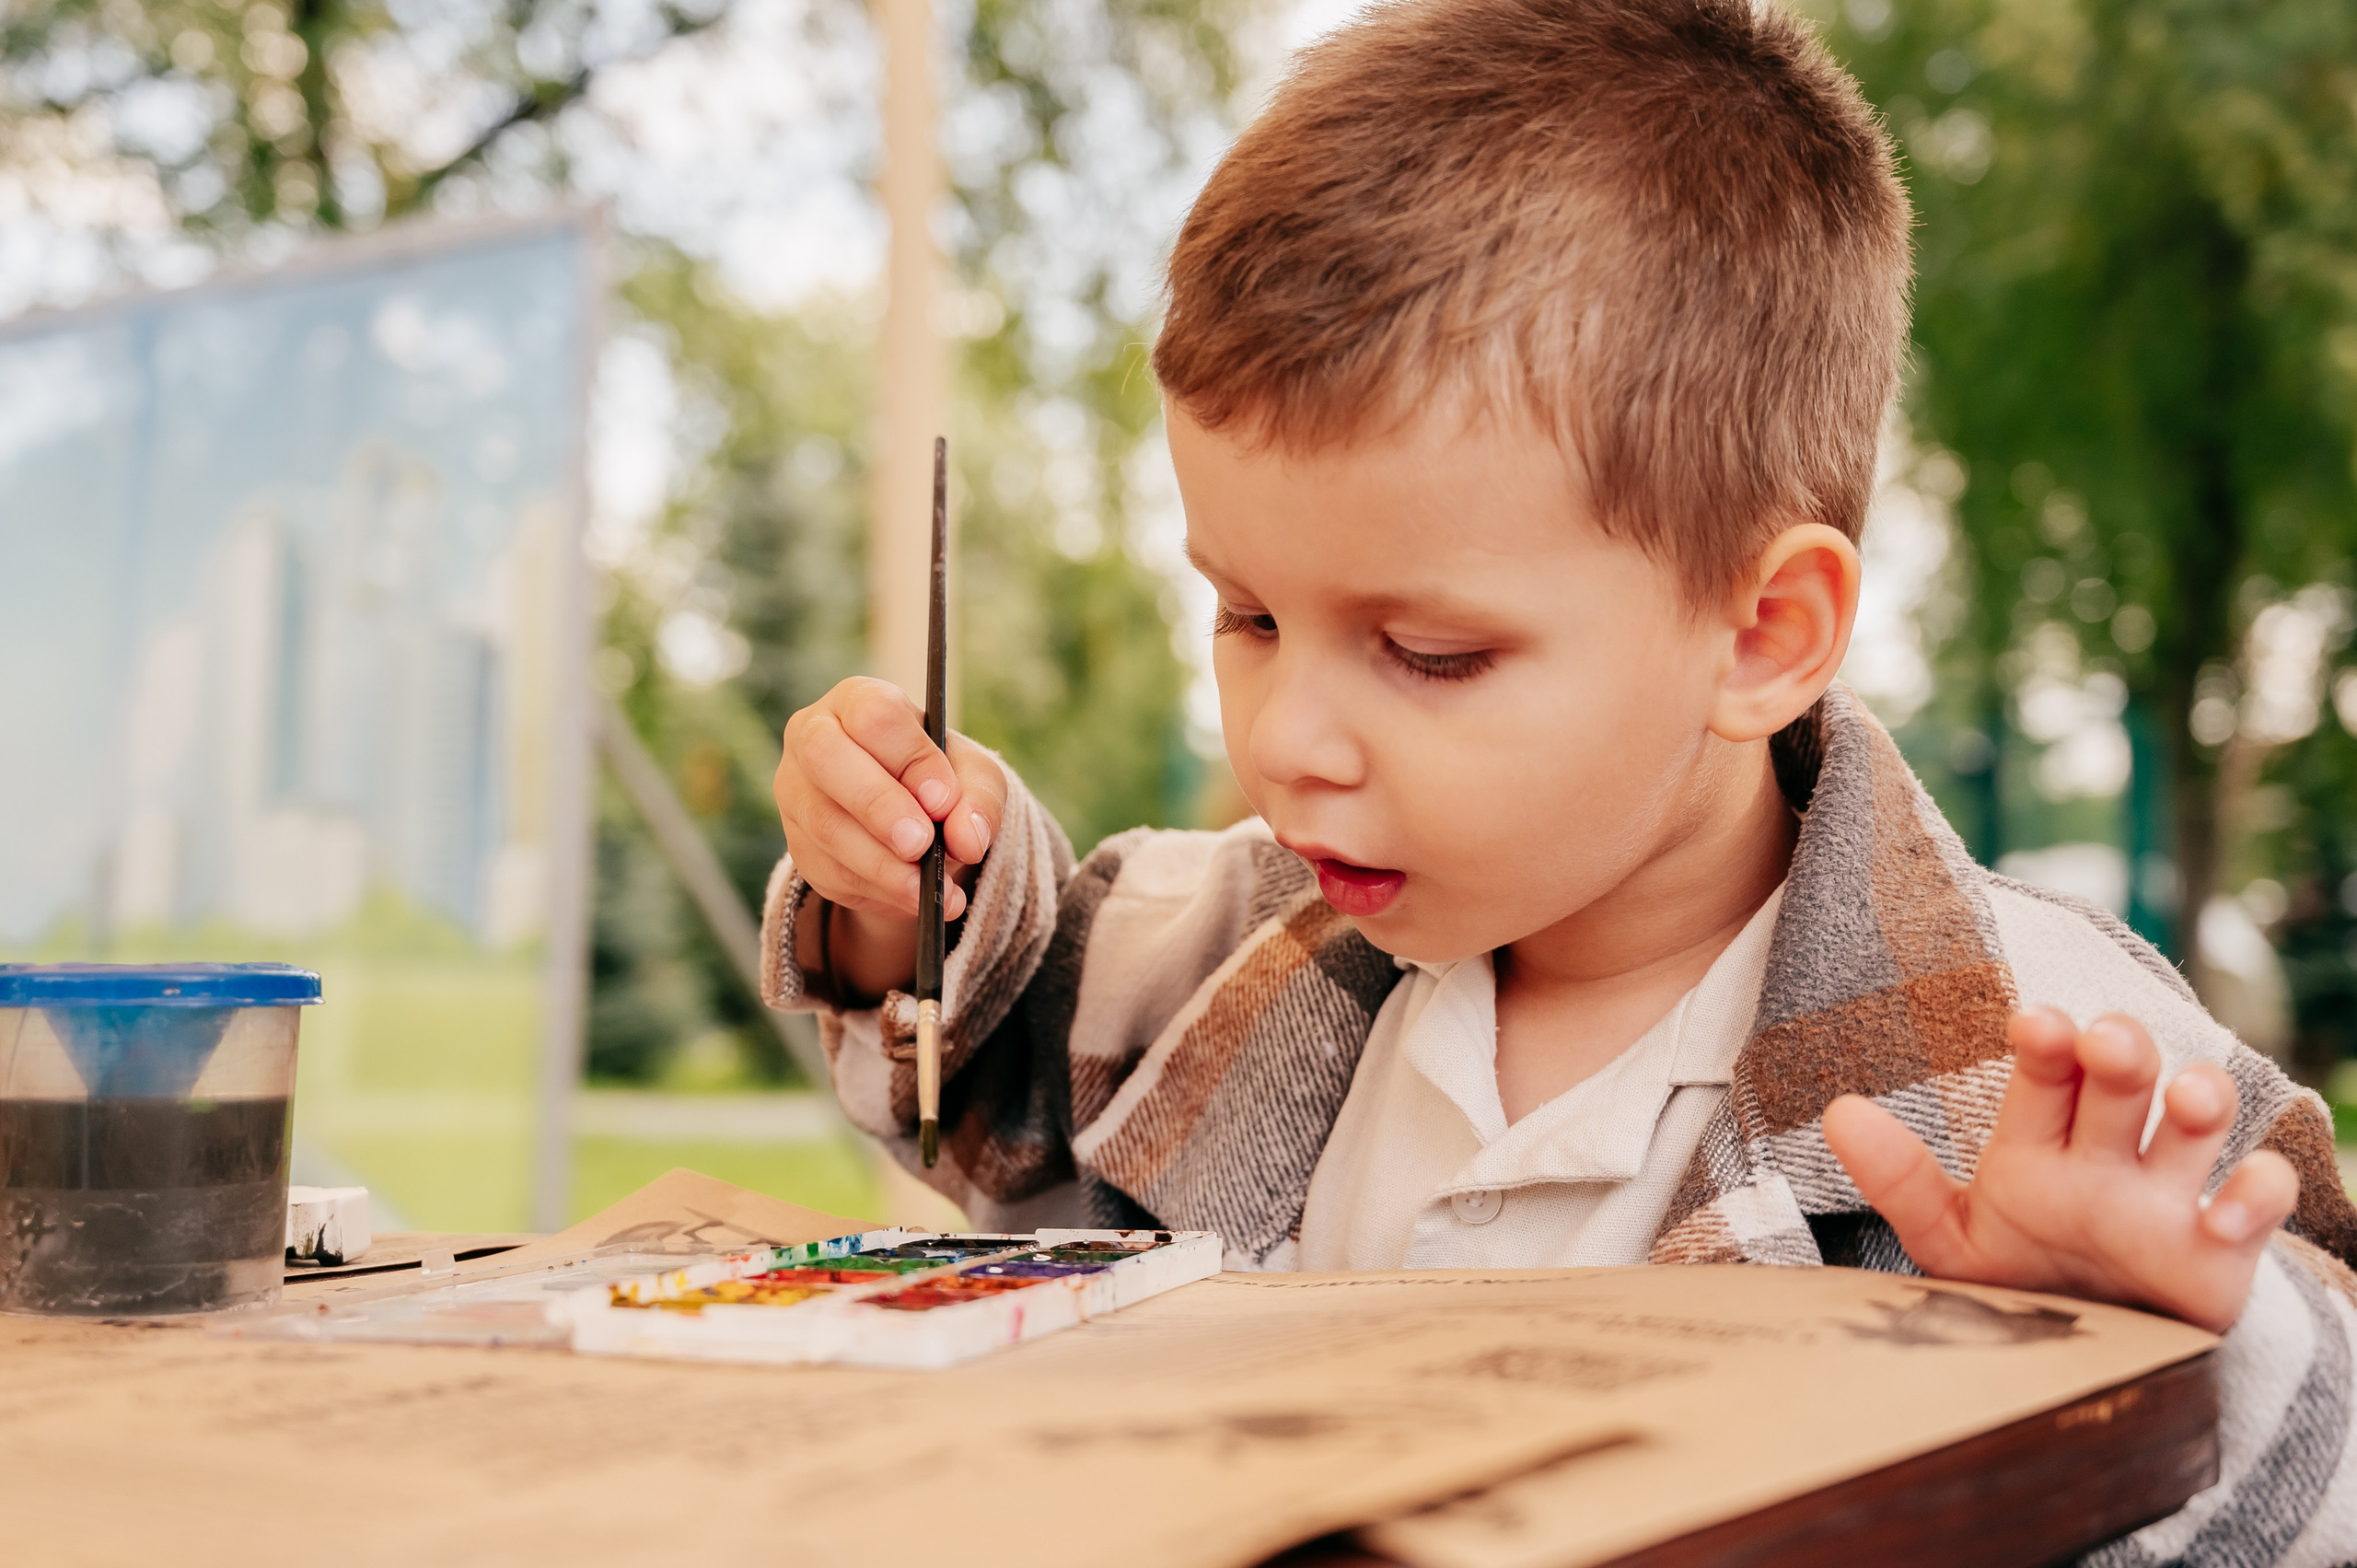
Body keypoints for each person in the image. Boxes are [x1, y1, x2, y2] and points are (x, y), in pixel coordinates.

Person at [761, 0, 2357, 1554]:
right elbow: (1002, 1047)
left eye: (1431, 655)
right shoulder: (1242, 938)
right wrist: (894, 889)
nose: (1285, 743)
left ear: (1759, 633)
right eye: (1247, 613)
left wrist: (2159, 1357)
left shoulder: (2054, 1068)